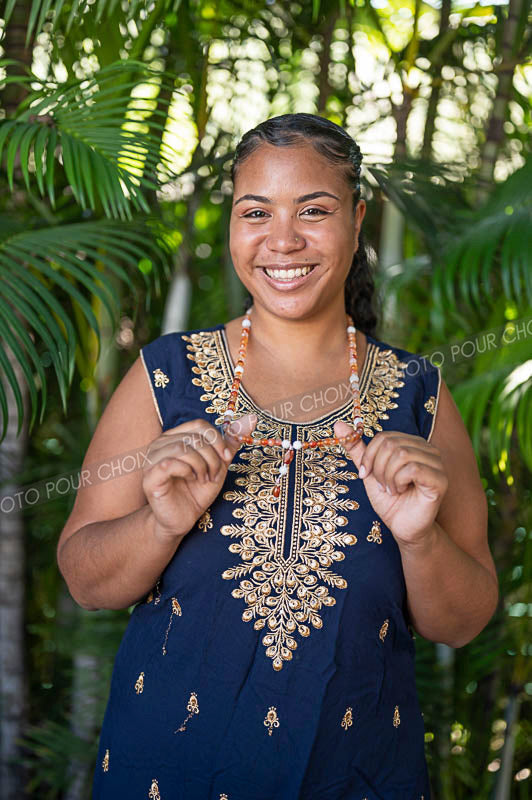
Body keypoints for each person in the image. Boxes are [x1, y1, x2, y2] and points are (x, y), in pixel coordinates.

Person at [57, 112, 498, 800]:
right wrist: (159, 524)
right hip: (165, 775)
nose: (282, 239)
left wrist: (419, 540)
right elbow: (86, 579)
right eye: (255, 211)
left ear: (358, 218)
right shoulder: (165, 377)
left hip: (356, 775)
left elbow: (463, 620)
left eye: (314, 210)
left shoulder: (420, 397)